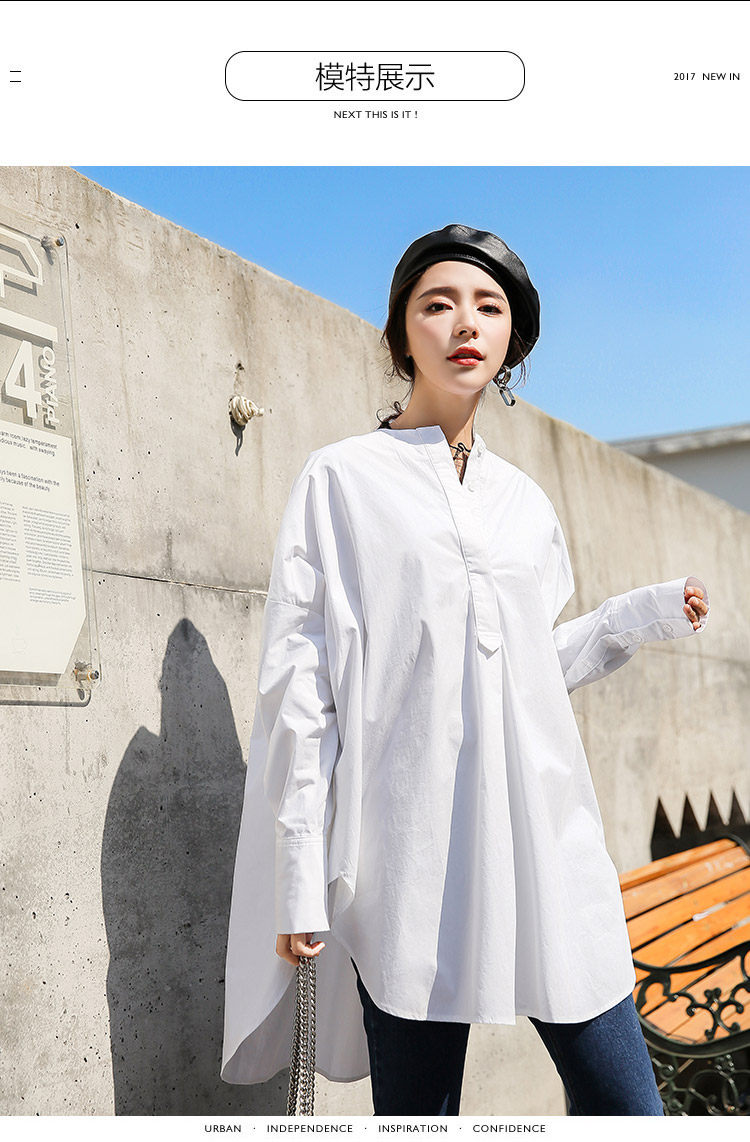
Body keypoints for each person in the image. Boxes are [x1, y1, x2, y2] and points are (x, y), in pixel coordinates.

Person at [221, 223, 710, 1116]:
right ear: (400, 332)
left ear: (512, 340)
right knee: (421, 1115)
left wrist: (630, 618)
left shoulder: (524, 503)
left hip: (544, 841)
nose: (464, 323)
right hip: (406, 860)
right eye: (437, 304)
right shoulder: (341, 481)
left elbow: (524, 675)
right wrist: (299, 877)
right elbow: (302, 693)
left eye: (488, 307)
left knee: (628, 1108)